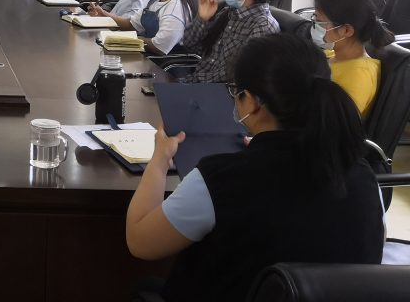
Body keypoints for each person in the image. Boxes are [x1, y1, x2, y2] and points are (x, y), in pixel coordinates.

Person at [125, 34, 384, 302]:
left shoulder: (221, 178)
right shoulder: (364, 177)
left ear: (251, 101)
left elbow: (140, 241)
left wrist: (159, 159)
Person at [178, 0, 279, 83]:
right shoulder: (228, 13)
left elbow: (235, 74)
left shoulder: (262, 25)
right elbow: (189, 45)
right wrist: (202, 19)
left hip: (219, 91)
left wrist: (190, 83)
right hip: (199, 83)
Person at [313, 0, 391, 117]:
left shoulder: (359, 75)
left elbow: (337, 123)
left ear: (346, 30)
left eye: (320, 23)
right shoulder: (331, 54)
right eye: (314, 19)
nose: (315, 26)